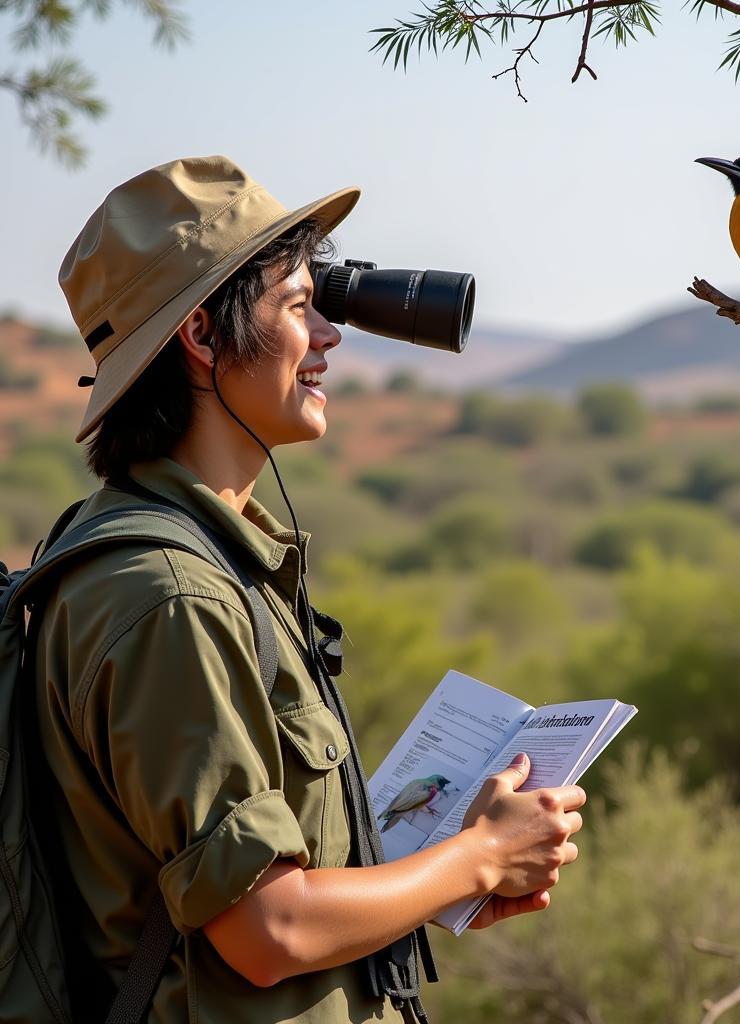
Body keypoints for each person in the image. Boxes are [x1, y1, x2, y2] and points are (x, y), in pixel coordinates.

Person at [34, 155, 586, 1023]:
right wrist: (478, 857)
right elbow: (268, 931)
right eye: (298, 308)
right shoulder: (170, 596)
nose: (330, 336)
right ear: (201, 338)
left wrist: (431, 874)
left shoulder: (196, 562)